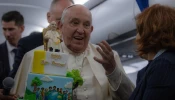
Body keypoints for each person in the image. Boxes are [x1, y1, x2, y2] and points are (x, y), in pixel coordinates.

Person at [11, 4, 134, 100]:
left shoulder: (108, 57)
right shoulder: (34, 56)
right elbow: (17, 97)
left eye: (86, 25)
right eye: (75, 23)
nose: (80, 30)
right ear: (60, 26)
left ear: (91, 30)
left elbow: (130, 97)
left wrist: (112, 70)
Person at [9, 0, 74, 78]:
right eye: (59, 20)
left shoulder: (78, 45)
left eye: (70, 21)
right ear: (48, 17)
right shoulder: (27, 44)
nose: (63, 26)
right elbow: (16, 78)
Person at [129, 4, 175, 100]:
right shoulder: (156, 66)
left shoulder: (163, 65)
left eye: (138, 31)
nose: (136, 38)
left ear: (149, 33)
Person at [0, 10, 24, 100]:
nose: (7, 34)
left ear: (21, 28)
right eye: (4, 29)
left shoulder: (30, 52)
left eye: (11, 29)